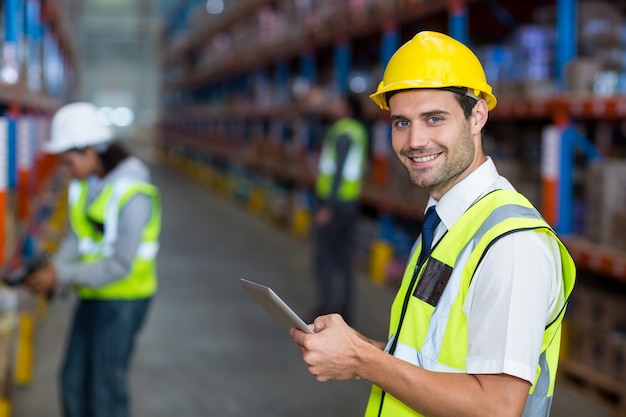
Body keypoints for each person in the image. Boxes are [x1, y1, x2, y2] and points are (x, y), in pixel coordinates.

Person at [290, 31, 576, 417]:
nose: (414, 140)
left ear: (477, 115)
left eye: (434, 119)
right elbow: (434, 359)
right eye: (401, 123)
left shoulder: (510, 245)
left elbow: (497, 407)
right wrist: (357, 347)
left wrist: (362, 360)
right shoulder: (445, 223)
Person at [25, 101, 161, 417]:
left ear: (89, 150)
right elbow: (78, 236)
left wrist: (60, 275)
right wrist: (55, 265)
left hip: (125, 301)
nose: (65, 170)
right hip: (93, 294)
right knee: (72, 380)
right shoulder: (88, 183)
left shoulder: (133, 192)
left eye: (68, 161)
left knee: (105, 389)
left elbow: (120, 264)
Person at [311, 92, 368, 322]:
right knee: (344, 258)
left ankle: (325, 308)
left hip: (335, 203)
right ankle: (345, 309)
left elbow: (337, 171)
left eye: (337, 101)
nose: (333, 104)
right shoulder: (358, 130)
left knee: (323, 257)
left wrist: (328, 207)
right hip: (350, 202)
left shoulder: (342, 131)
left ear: (346, 107)